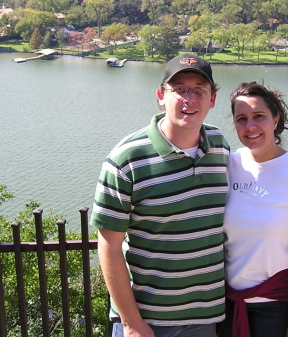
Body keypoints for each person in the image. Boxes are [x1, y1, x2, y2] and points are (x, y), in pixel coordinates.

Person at [90, 53, 229, 337]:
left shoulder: (220, 146)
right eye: (179, 89)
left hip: (205, 320)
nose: (189, 99)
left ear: (212, 99)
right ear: (160, 96)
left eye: (199, 90)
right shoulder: (126, 159)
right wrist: (132, 323)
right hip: (147, 323)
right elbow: (108, 246)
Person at [222, 82, 288, 337]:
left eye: (259, 116)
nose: (250, 126)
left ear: (275, 119)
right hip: (228, 305)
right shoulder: (229, 165)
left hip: (275, 310)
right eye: (241, 119)